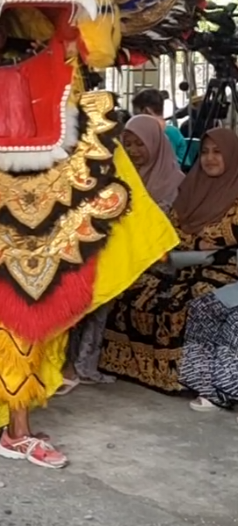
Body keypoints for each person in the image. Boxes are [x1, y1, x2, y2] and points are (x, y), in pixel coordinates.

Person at [99, 128, 238, 391]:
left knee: (193, 297)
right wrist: (196, 242)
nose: (209, 158)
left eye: (218, 152)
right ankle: (129, 366)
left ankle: (185, 378)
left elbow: (223, 240)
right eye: (205, 152)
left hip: (225, 268)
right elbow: (171, 231)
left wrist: (196, 241)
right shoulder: (190, 187)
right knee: (131, 289)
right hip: (179, 264)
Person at [60, 114, 184, 389]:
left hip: (154, 262)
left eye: (140, 144)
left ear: (156, 145)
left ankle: (80, 365)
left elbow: (160, 234)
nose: (133, 151)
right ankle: (69, 363)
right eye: (127, 144)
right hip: (121, 253)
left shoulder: (173, 182)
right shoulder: (116, 175)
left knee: (101, 286)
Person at [132, 86, 191, 167]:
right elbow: (186, 165)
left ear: (145, 111)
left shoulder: (144, 134)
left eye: (135, 115)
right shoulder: (174, 132)